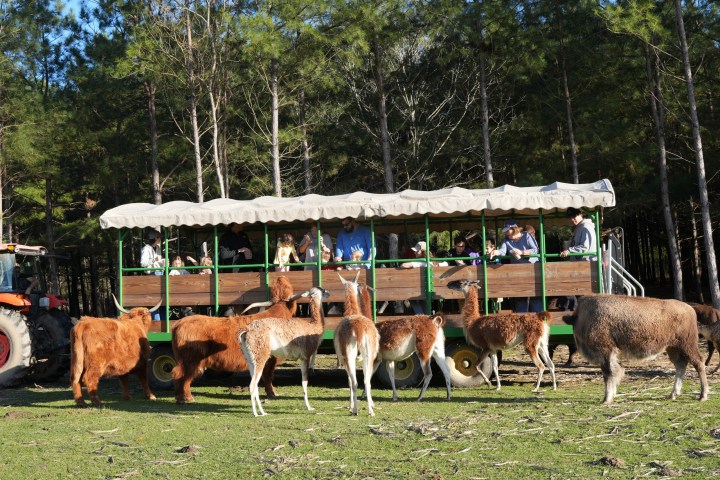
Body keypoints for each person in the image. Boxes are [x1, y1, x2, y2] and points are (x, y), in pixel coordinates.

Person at [490, 220, 542, 313]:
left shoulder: (526, 235)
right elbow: (502, 251)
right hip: (518, 273)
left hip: (533, 271)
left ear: (514, 229)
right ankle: (521, 322)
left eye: (507, 230)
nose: (506, 233)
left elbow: (535, 250)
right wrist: (495, 252)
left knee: (535, 298)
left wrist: (521, 252)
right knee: (520, 299)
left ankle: (538, 322)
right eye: (505, 231)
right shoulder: (506, 239)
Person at [399, 241, 437, 314]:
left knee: (413, 298)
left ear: (422, 251)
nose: (415, 252)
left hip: (423, 290)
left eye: (417, 251)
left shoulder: (423, 261)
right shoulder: (431, 261)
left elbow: (404, 265)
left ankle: (421, 316)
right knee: (423, 301)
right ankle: (425, 316)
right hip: (427, 289)